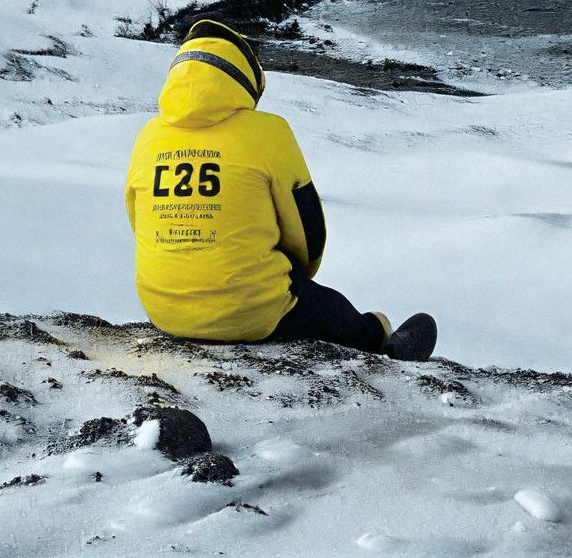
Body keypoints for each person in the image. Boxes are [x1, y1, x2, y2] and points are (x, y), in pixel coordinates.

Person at [125, 18, 436, 360]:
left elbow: (139, 222)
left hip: (162, 311)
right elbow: (306, 229)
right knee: (328, 307)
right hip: (248, 312)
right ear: (245, 78)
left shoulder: (148, 136)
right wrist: (298, 277)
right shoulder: (269, 131)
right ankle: (381, 341)